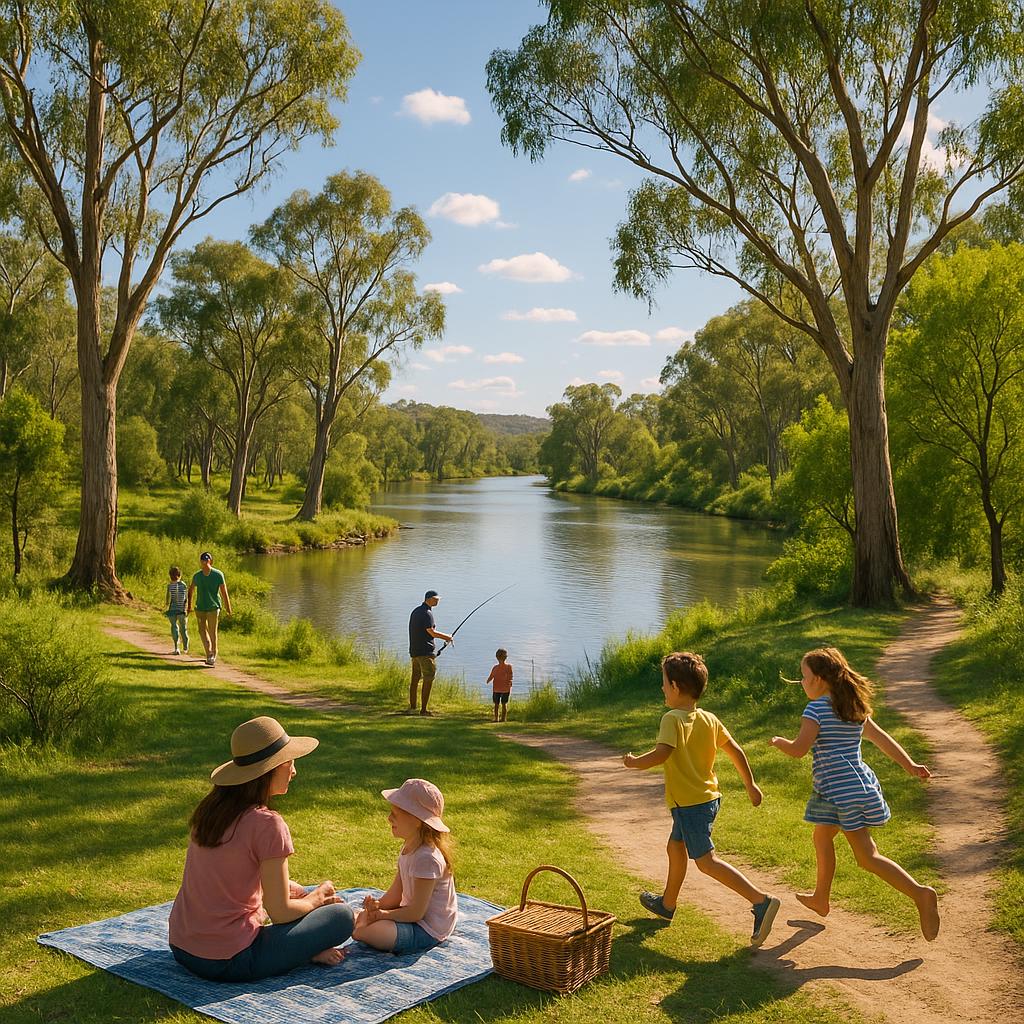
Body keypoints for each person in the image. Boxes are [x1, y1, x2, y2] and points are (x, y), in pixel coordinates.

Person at [770, 647, 940, 940]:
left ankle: (920, 894)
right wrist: (910, 765)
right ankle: (820, 898)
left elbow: (798, 750)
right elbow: (881, 739)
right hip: (853, 785)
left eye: (805, 676)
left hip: (838, 792)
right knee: (822, 836)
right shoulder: (851, 706)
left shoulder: (816, 709)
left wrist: (778, 741)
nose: (802, 682)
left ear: (821, 679)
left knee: (867, 857)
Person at [168, 716, 354, 981]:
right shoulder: (268, 824)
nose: (294, 771)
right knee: (341, 916)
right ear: (271, 769)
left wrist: (298, 894)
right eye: (289, 762)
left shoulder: (210, 812)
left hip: (182, 947)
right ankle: (304, 951)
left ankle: (302, 949)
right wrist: (318, 899)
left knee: (296, 892)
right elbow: (280, 913)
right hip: (229, 960)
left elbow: (229, 877)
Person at [622, 651, 780, 946]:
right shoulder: (709, 719)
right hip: (705, 799)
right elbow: (735, 751)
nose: (662, 689)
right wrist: (751, 785)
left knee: (706, 862)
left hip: (691, 805)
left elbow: (661, 754)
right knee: (675, 845)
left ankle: (761, 901)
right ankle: (667, 904)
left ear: (677, 688)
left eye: (665, 684)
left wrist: (633, 763)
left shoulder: (672, 719)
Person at [352, 778, 457, 955]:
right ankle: (362, 925)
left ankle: (361, 929)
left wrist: (383, 916)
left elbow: (416, 912)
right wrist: (377, 906)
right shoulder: (409, 847)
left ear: (417, 820)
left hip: (427, 929)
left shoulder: (427, 858)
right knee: (362, 918)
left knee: (366, 930)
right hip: (409, 916)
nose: (389, 818)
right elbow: (395, 894)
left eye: (395, 813)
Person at [407, 590, 452, 716]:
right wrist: (447, 637)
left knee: (415, 679)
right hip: (425, 653)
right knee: (428, 678)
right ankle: (424, 710)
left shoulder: (416, 611)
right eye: (435, 599)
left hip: (415, 652)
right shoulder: (427, 613)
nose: (437, 601)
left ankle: (413, 706)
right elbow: (431, 632)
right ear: (429, 599)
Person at [187, 551, 231, 666]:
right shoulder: (197, 575)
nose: (205, 562)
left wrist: (228, 609)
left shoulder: (218, 574)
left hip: (213, 607)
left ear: (210, 561)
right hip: (200, 607)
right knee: (202, 630)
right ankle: (208, 654)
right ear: (201, 562)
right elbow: (190, 590)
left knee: (212, 630)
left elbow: (224, 592)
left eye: (207, 560)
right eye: (203, 560)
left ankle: (214, 653)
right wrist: (189, 606)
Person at [165, 566, 189, 655]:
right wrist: (186, 608)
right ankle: (186, 647)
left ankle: (176, 648)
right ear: (180, 575)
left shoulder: (169, 586)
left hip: (172, 609)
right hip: (181, 609)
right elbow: (186, 598)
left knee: (174, 627)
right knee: (183, 629)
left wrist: (166, 607)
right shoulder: (183, 585)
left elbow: (168, 599)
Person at [486, 648, 513, 722]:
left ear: (497, 657)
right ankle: (503, 719)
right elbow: (510, 677)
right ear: (506, 657)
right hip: (505, 688)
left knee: (496, 704)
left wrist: (488, 680)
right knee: (504, 704)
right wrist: (510, 683)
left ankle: (496, 718)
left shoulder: (495, 667)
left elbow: (491, 676)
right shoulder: (509, 667)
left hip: (496, 688)